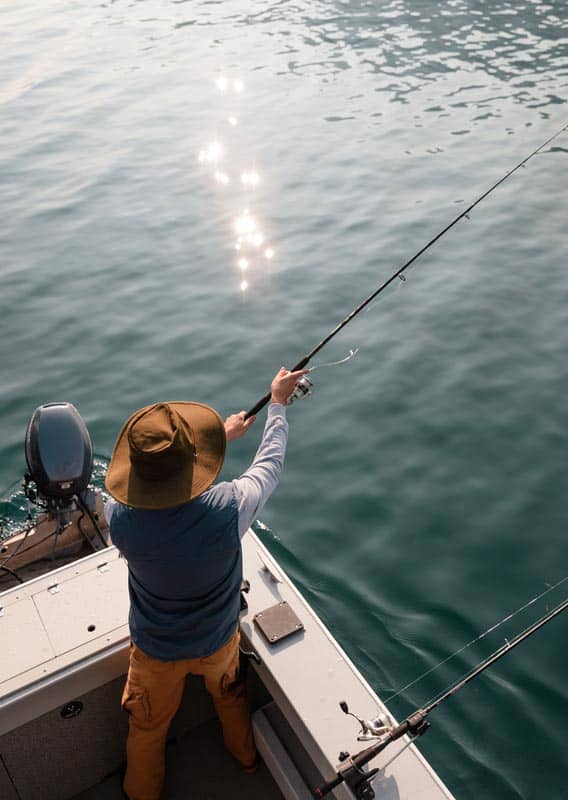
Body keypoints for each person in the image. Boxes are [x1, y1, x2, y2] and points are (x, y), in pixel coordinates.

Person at [104, 366, 307, 800]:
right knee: (230, 699)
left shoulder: (118, 518)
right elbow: (269, 464)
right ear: (192, 461)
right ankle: (248, 762)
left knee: (147, 728)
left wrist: (216, 439)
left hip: (155, 651)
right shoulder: (229, 508)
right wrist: (276, 405)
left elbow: (153, 494)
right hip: (218, 642)